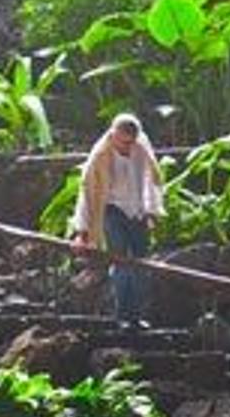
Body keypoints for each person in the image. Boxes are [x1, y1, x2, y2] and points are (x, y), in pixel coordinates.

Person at [70, 112, 165, 327]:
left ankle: (137, 316)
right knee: (121, 261)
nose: (127, 147)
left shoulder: (141, 148)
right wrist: (82, 231)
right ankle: (122, 316)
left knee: (141, 263)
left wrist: (152, 210)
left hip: (137, 211)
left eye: (130, 143)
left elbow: (152, 180)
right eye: (123, 143)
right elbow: (87, 194)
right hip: (112, 210)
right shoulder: (99, 156)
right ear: (113, 136)